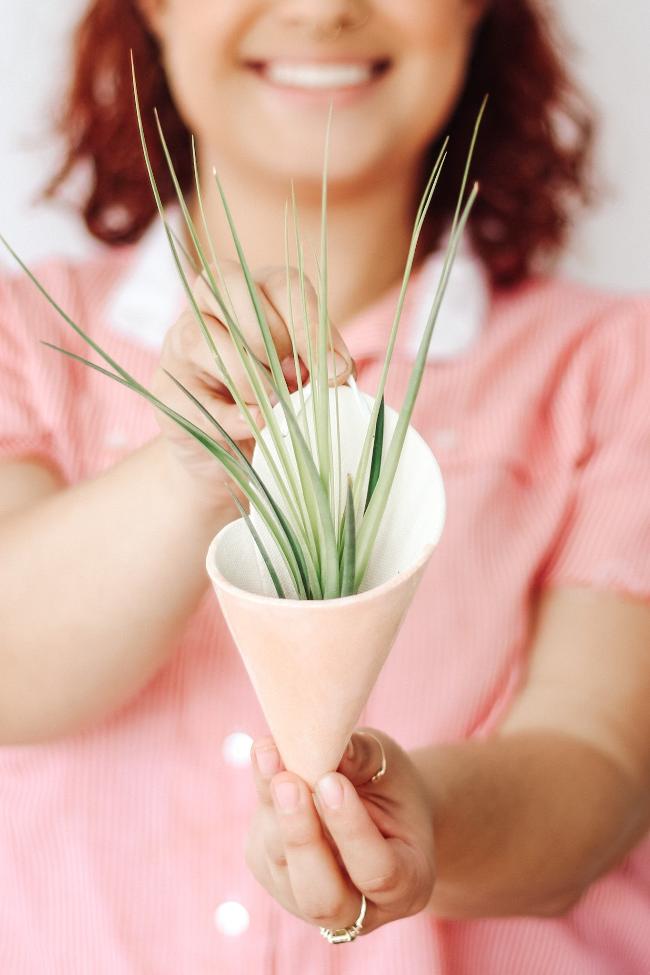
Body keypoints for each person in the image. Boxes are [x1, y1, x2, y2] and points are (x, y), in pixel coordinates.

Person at [0, 0, 649, 971]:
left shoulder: (611, 366)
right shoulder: (26, 335)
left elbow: (597, 768)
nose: (320, 9)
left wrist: (423, 820)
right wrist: (189, 471)